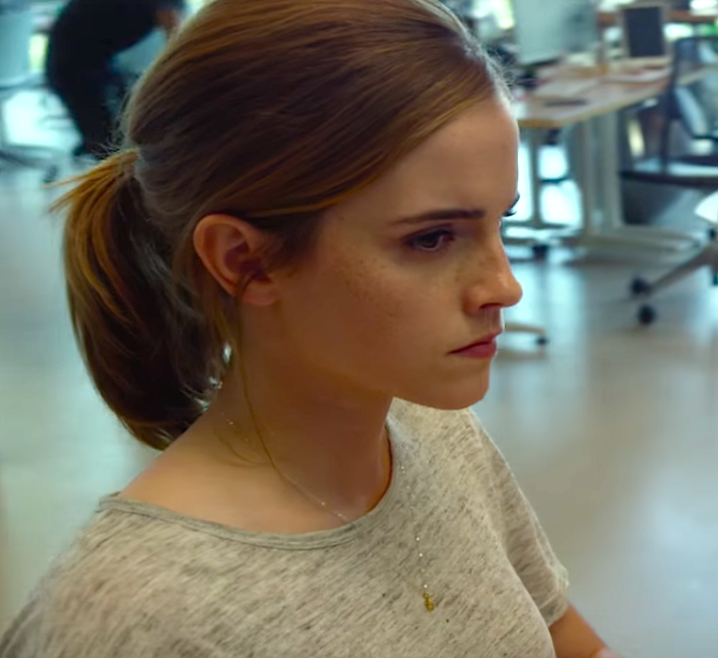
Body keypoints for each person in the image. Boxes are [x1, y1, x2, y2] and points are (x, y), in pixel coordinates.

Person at [1, 1, 618, 656]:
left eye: (501, 223)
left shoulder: (430, 428)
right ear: (245, 262)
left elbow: (560, 635)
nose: (505, 286)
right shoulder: (130, 621)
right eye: (432, 238)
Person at [44, 0, 185, 159]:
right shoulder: (165, 6)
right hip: (75, 65)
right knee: (107, 141)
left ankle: (106, 152)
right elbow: (177, 47)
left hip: (91, 59)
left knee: (113, 131)